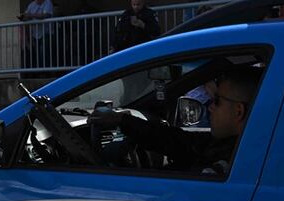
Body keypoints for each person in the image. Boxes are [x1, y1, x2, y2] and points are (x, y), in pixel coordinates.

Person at [89, 66, 261, 177]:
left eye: (217, 101)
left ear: (239, 111)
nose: (210, 107)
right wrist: (122, 119)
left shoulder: (226, 166)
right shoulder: (239, 148)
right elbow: (180, 141)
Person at [19, 0, 55, 69]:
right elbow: (26, 15)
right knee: (35, 54)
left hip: (46, 33)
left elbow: (45, 15)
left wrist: (31, 15)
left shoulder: (47, 2)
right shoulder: (32, 4)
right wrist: (23, 17)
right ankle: (38, 71)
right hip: (35, 34)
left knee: (44, 53)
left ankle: (46, 71)